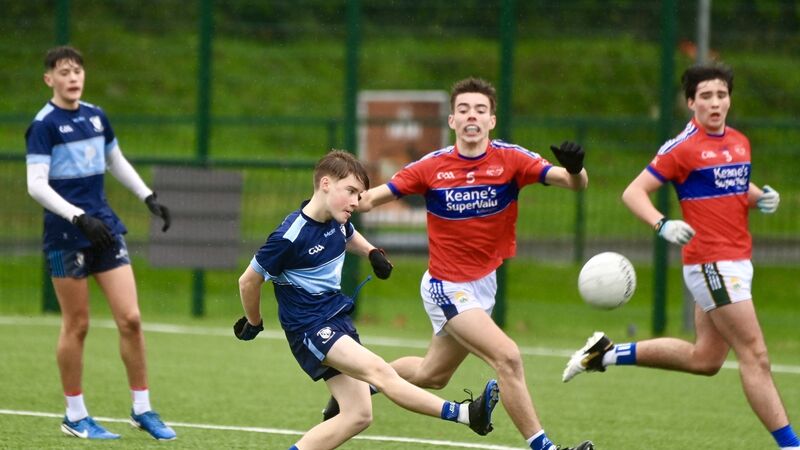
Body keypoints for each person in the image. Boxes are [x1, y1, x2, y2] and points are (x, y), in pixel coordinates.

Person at [322, 78, 594, 450]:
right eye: (464, 109)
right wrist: (333, 202)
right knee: (508, 357)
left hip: (483, 286)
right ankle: (546, 447)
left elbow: (573, 183)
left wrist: (577, 169)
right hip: (447, 286)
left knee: (431, 375)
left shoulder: (511, 159)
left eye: (480, 110)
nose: (472, 116)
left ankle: (361, 385)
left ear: (491, 120)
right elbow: (369, 200)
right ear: (451, 120)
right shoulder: (431, 167)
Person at [563, 63, 799, 450]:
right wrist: (662, 224)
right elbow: (633, 192)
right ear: (691, 102)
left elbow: (729, 179)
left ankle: (605, 354)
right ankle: (791, 445)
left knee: (705, 359)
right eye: (705, 96)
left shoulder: (739, 141)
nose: (715, 102)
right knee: (755, 354)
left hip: (738, 259)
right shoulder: (682, 147)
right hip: (712, 264)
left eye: (721, 95)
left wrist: (759, 197)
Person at [234, 149, 500, 450]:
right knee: (381, 372)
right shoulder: (289, 237)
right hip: (310, 327)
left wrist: (372, 252)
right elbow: (248, 281)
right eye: (350, 191)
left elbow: (348, 234)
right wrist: (254, 322)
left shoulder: (336, 218)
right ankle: (466, 414)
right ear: (325, 184)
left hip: (335, 318)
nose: (356, 201)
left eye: (359, 194)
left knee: (358, 415)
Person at [25, 45, 175, 440]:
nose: (72, 77)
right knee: (77, 324)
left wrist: (147, 196)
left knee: (131, 318)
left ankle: (142, 409)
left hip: (104, 227)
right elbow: (35, 185)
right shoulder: (44, 125)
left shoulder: (95, 116)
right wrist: (77, 216)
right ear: (49, 79)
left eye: (77, 70)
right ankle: (75, 415)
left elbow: (115, 159)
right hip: (66, 233)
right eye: (63, 71)